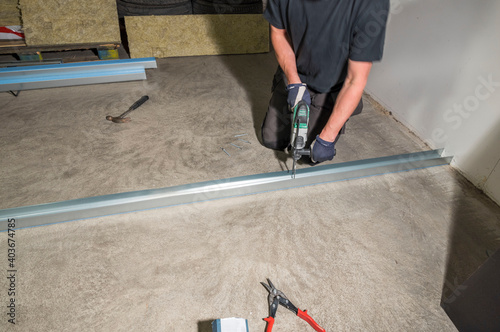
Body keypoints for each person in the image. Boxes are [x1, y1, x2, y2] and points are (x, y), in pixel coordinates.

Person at [261, 0, 390, 164]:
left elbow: (355, 80)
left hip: (331, 86)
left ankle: (344, 105)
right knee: (271, 140)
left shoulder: (370, 5)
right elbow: (279, 33)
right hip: (296, 71)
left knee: (308, 156)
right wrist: (294, 82)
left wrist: (327, 138)